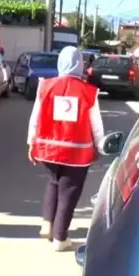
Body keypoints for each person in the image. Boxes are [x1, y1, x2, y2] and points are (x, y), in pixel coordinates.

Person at [27, 46, 105, 252]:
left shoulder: (45, 86)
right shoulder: (88, 91)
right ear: (80, 64)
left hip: (49, 149)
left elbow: (35, 116)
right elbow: (95, 123)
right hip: (77, 152)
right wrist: (101, 145)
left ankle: (47, 223)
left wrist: (31, 142)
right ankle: (60, 238)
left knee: (53, 183)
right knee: (69, 191)